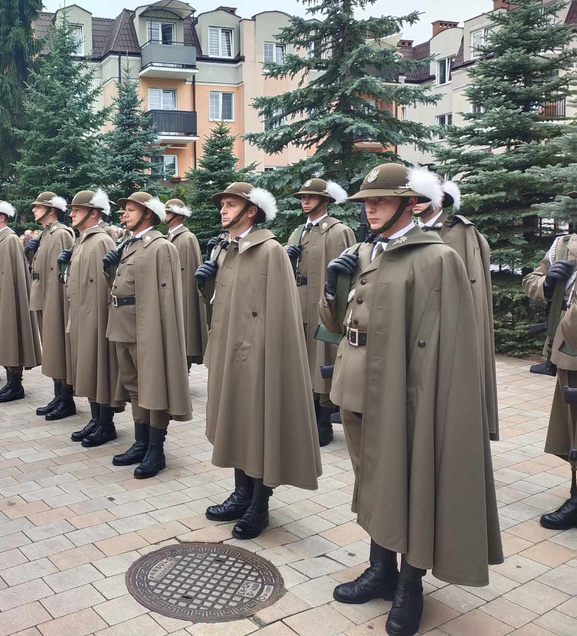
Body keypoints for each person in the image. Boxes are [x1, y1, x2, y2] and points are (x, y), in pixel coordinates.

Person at [319, 164, 502, 636]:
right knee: (373, 481)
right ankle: (380, 570)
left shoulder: (435, 258)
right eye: (365, 200)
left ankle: (409, 583)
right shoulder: (364, 251)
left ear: (411, 203)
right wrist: (332, 286)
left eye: (381, 199)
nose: (370, 207)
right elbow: (335, 323)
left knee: (410, 483)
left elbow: (447, 343)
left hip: (405, 395)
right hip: (358, 387)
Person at [194, 182, 322, 540]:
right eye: (222, 204)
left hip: (258, 356)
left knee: (259, 425)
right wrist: (205, 283)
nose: (223, 209)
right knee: (234, 420)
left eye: (231, 204)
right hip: (227, 350)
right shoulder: (226, 248)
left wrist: (264, 356)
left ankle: (259, 504)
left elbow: (279, 313)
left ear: (251, 210)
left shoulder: (270, 251)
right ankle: (241, 493)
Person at [105, 191, 192, 480]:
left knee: (153, 387)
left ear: (147, 214)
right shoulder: (130, 245)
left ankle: (156, 449)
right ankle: (141, 442)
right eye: (125, 210)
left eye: (130, 210)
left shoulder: (159, 246)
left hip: (148, 327)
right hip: (124, 325)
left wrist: (161, 333)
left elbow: (166, 296)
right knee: (134, 385)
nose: (124, 215)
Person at [415, 180, 499, 441]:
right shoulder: (407, 232)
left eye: (422, 197)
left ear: (439, 199)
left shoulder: (461, 233)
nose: (416, 202)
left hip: (451, 324)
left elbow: (472, 288)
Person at [284, 179, 355, 446]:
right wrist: (286, 256)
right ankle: (307, 418)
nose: (305, 201)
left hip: (326, 309)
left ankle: (324, 422)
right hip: (298, 307)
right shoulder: (297, 232)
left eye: (311, 197)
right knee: (303, 362)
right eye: (302, 197)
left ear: (325, 200)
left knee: (323, 361)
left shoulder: (339, 232)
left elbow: (349, 276)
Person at [522, 190, 577, 530]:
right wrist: (548, 281)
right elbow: (530, 281)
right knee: (573, 427)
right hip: (569, 349)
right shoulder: (561, 245)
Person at [60, 189, 125, 446]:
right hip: (81, 313)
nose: (72, 213)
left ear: (93, 212)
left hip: (97, 314)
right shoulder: (83, 239)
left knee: (99, 367)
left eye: (77, 209)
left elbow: (107, 284)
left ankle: (106, 422)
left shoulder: (100, 240)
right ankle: (96, 417)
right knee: (87, 366)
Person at [0, 200, 42, 402]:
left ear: (1, 217)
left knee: (10, 338)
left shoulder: (10, 239)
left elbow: (14, 275)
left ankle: (16, 384)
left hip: (8, 298)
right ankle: (10, 382)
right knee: (2, 339)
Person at [28, 192, 77, 421]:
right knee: (51, 346)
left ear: (51, 210)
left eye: (38, 207)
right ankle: (58, 395)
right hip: (43, 295)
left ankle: (66, 399)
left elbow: (61, 273)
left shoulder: (60, 234)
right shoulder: (46, 234)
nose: (34, 210)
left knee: (59, 347)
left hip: (55, 297)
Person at [164, 199, 208, 370]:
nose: (165, 215)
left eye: (168, 212)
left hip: (182, 297)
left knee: (184, 339)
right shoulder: (171, 235)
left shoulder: (186, 238)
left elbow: (186, 277)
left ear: (178, 215)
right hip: (171, 296)